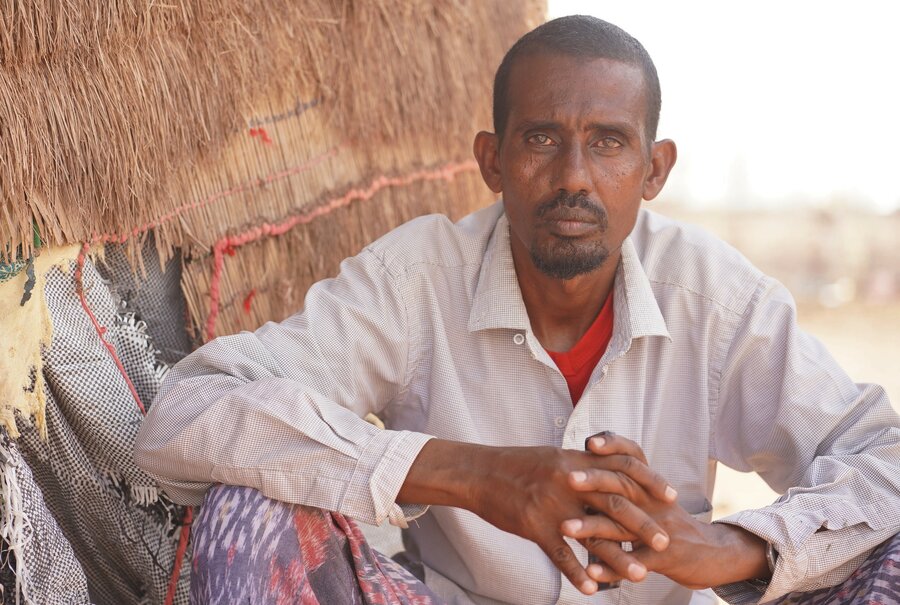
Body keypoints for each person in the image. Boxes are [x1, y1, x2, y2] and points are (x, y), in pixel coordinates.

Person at [135, 15, 900, 605]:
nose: (574, 176)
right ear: (492, 161)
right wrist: (474, 475)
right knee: (249, 505)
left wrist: (730, 545)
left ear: (653, 169)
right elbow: (185, 417)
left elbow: (885, 457)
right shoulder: (418, 279)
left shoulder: (718, 300)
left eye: (608, 144)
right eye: (542, 139)